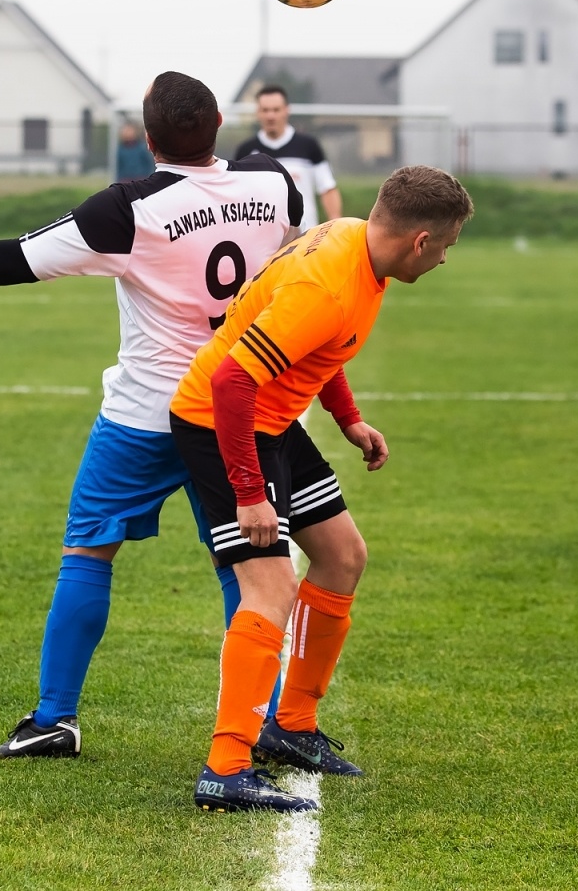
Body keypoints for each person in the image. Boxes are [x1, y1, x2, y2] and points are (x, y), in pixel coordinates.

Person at [0, 71, 304, 762]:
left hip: (148, 414)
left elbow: (17, 258)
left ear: (147, 138)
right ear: (220, 121)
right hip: (236, 406)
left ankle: (54, 718)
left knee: (89, 551)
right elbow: (294, 247)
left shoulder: (129, 207)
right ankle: (267, 719)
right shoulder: (272, 182)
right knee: (247, 572)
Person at [169, 165, 474, 813]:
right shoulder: (328, 286)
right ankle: (225, 767)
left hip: (274, 421)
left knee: (342, 556)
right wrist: (249, 492)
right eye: (446, 246)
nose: (445, 259)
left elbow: (319, 349)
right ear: (420, 241)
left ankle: (293, 726)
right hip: (221, 422)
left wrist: (348, 419)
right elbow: (230, 382)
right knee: (270, 586)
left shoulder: (356, 241)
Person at [234, 85, 341, 231]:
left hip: (305, 236)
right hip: (262, 238)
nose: (270, 116)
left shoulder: (309, 146)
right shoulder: (245, 151)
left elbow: (327, 188)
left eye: (276, 110)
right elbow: (237, 196)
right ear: (258, 112)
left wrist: (335, 226)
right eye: (265, 110)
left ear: (286, 110)